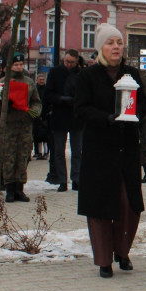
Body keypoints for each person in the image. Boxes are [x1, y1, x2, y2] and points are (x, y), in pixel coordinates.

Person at [75, 23, 146, 278]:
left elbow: (144, 104)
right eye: (110, 43)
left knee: (129, 205)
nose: (116, 47)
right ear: (100, 48)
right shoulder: (88, 76)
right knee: (101, 207)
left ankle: (122, 251)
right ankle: (104, 260)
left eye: (119, 42)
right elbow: (81, 108)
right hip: (100, 150)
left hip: (126, 148)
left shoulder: (131, 74)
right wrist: (107, 118)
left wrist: (136, 115)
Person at [0, 53, 43, 203]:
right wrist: (5, 107)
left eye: (21, 64)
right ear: (9, 67)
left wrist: (34, 112)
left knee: (23, 156)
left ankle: (19, 188)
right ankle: (9, 189)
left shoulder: (29, 82)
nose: (19, 67)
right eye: (16, 65)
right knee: (9, 156)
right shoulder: (3, 83)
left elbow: (37, 101)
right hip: (9, 125)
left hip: (25, 125)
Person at [44, 49, 85, 192]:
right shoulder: (55, 72)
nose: (68, 64)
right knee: (59, 151)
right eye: (66, 61)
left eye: (72, 62)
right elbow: (48, 94)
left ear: (76, 62)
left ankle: (77, 179)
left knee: (77, 151)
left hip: (76, 116)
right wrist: (60, 99)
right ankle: (62, 180)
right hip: (59, 114)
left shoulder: (81, 74)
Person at [32, 71, 50, 162]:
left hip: (45, 115)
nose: (42, 81)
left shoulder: (47, 89)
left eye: (43, 79)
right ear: (37, 80)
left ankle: (46, 152)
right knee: (37, 135)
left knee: (45, 136)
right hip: (36, 115)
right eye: (40, 79)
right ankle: (38, 152)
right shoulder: (35, 89)